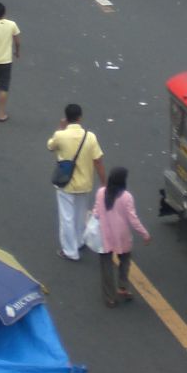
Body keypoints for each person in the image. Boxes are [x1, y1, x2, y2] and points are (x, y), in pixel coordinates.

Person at [47, 104, 106, 260]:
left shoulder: (60, 136)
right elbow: (98, 161)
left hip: (65, 184)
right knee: (81, 215)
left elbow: (50, 146)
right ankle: (80, 241)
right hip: (85, 183)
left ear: (66, 118)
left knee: (66, 218)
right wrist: (104, 182)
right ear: (80, 117)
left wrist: (60, 128)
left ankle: (70, 251)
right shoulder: (90, 137)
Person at [92, 166, 151, 305]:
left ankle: (109, 297)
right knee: (125, 261)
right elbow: (133, 219)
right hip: (122, 237)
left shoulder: (101, 192)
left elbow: (96, 212)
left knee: (106, 266)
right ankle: (122, 287)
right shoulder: (126, 197)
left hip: (104, 236)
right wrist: (145, 234)